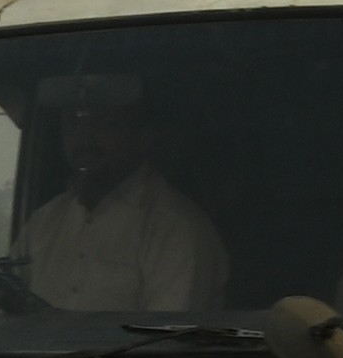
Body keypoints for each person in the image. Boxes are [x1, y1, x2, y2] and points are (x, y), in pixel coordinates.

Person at [13, 69, 228, 314]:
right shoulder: (44, 223)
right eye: (74, 121)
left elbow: (165, 346)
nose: (84, 136)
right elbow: (7, 317)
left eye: (106, 123)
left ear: (143, 138)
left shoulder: (178, 230)